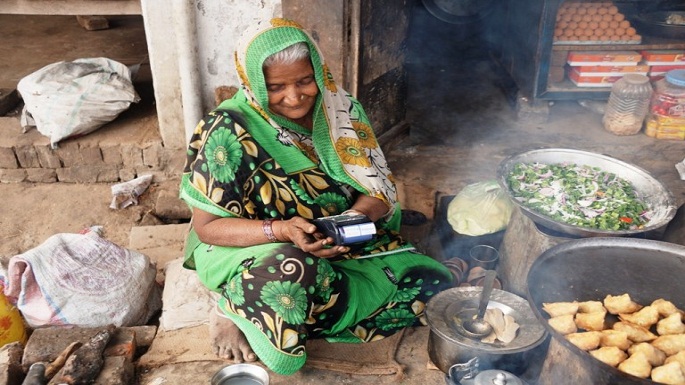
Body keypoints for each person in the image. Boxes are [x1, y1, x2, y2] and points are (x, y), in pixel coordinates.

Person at [179, 18, 452, 375]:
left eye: (305, 81)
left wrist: (349, 222)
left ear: (319, 72)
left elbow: (378, 192)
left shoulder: (343, 111)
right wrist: (284, 231)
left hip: (340, 240)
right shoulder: (228, 130)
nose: (294, 97)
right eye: (276, 87)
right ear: (253, 83)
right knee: (291, 270)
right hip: (261, 245)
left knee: (430, 288)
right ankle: (232, 306)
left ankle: (286, 309)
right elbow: (209, 228)